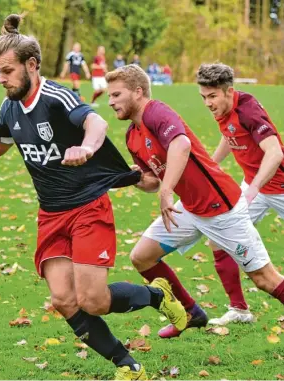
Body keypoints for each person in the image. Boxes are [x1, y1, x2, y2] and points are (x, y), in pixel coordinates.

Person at [0, 14, 187, 380]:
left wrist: (87, 149)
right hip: (51, 213)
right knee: (63, 300)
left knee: (94, 300)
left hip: (88, 206)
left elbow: (97, 123)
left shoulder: (56, 96)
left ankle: (157, 295)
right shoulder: (9, 107)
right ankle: (129, 365)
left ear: (32, 65)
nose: (2, 79)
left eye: (7, 71)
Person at [105, 64, 284, 339]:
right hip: (190, 208)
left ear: (138, 92)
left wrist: (167, 192)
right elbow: (152, 181)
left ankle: (236, 306)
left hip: (221, 208)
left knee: (265, 279)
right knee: (142, 257)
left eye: (116, 95)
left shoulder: (157, 112)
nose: (110, 102)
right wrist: (129, 179)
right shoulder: (132, 135)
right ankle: (191, 313)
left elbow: (182, 145)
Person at [196, 62, 284, 325]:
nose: (207, 103)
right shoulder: (224, 109)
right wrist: (211, 166)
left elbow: (275, 152)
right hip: (255, 186)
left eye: (212, 96)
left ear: (229, 91)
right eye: (203, 97)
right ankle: (239, 309)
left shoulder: (248, 110)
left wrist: (254, 188)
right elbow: (230, 135)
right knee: (219, 238)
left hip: (278, 187)